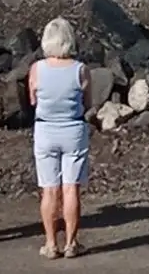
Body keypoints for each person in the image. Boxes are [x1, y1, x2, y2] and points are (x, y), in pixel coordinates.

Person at [28, 17, 92, 259]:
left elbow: (33, 100)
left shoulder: (37, 69)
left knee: (49, 189)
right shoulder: (80, 69)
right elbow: (88, 103)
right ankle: (72, 243)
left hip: (45, 130)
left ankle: (51, 243)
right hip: (73, 130)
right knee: (71, 189)